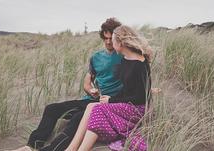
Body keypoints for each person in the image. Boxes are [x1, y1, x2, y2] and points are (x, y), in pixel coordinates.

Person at [12, 18, 124, 151]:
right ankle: (32, 145)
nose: (108, 41)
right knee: (51, 109)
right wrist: (90, 90)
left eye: (111, 38)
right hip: (91, 100)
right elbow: (87, 81)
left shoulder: (124, 56)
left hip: (108, 104)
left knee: (77, 119)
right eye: (105, 38)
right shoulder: (96, 57)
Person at [65, 25, 152, 151]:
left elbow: (141, 98)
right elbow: (126, 90)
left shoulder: (140, 64)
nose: (110, 42)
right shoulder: (125, 59)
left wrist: (111, 101)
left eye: (113, 39)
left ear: (120, 43)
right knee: (91, 106)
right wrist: (111, 98)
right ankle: (71, 148)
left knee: (99, 109)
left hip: (138, 109)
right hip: (126, 105)